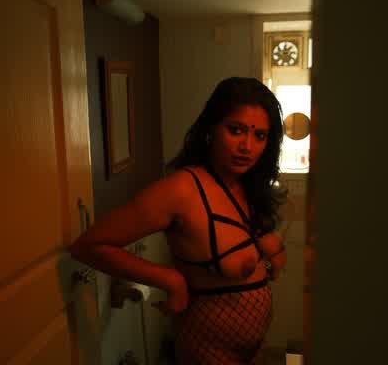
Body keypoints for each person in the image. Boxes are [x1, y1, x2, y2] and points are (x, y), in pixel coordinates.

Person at [69, 76, 288, 364]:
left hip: (256, 348)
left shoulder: (248, 186)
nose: (247, 146)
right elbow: (89, 246)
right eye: (236, 130)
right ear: (211, 128)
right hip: (208, 349)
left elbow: (264, 261)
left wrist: (269, 257)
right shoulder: (181, 189)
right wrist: (171, 280)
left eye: (260, 136)